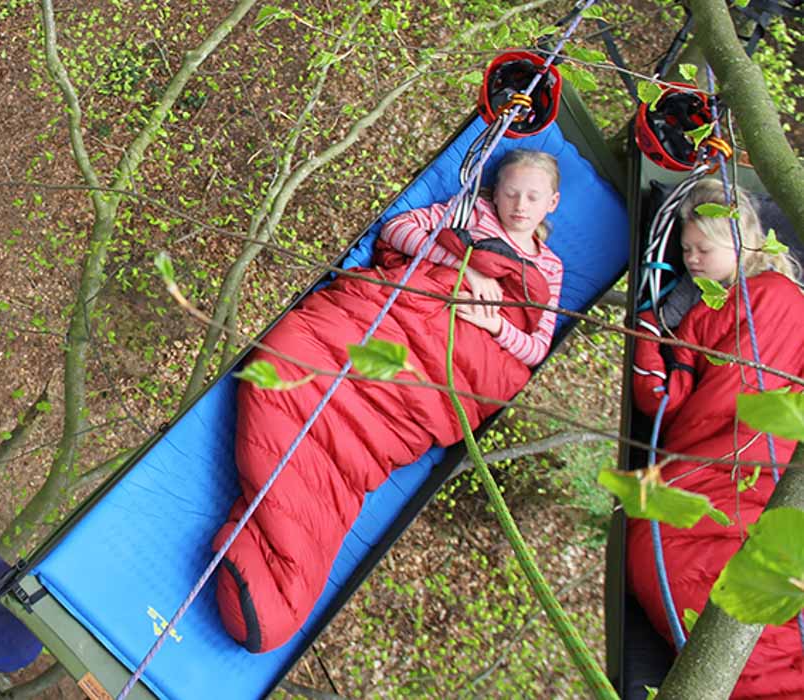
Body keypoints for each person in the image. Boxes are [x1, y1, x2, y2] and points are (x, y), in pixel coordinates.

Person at [214, 149, 564, 653]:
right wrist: (463, 264)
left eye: (532, 196)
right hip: (395, 314)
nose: (519, 204)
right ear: (494, 191)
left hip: (436, 379)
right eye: (510, 191)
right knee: (290, 354)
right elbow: (399, 231)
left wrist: (494, 324)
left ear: (551, 202)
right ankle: (272, 572)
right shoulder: (468, 212)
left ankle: (276, 580)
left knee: (348, 450)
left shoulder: (548, 270)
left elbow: (532, 350)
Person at [628, 179, 804, 698]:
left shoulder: (779, 295)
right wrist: (645, 340)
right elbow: (664, 402)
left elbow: (759, 383)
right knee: (659, 546)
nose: (693, 259)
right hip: (702, 457)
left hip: (749, 456)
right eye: (685, 250)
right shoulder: (696, 315)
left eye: (703, 248)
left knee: (671, 545)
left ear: (741, 241)